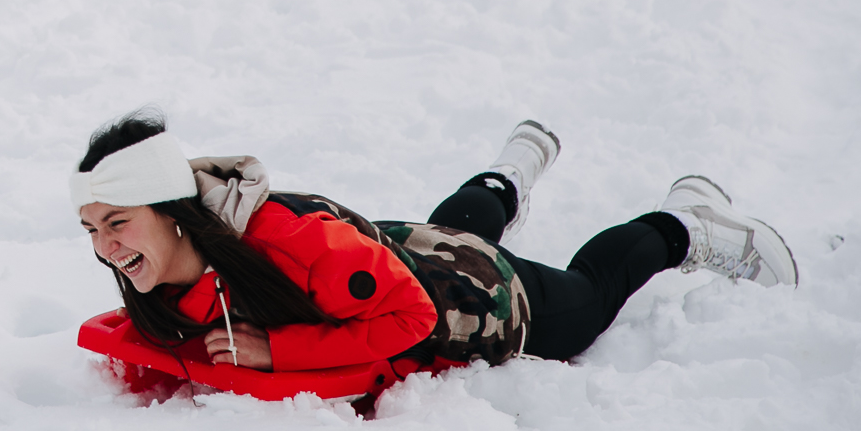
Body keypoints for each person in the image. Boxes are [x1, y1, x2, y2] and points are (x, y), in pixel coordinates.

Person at [71, 111, 797, 373]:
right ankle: (512, 167)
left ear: (170, 210)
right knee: (453, 231)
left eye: (117, 222)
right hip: (403, 250)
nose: (104, 246)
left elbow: (411, 317)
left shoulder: (289, 244)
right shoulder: (168, 262)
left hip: (468, 299)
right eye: (91, 229)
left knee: (586, 299)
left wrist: (280, 351)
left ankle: (685, 224)